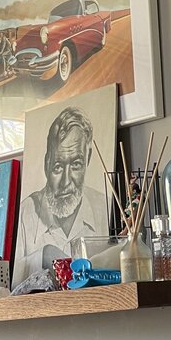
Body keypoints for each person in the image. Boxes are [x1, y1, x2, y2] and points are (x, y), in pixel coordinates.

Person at [12, 106, 107, 287]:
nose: (66, 182)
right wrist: (44, 254)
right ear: (46, 163)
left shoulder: (104, 208)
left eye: (76, 164)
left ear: (88, 158)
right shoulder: (26, 213)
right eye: (58, 166)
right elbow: (14, 287)